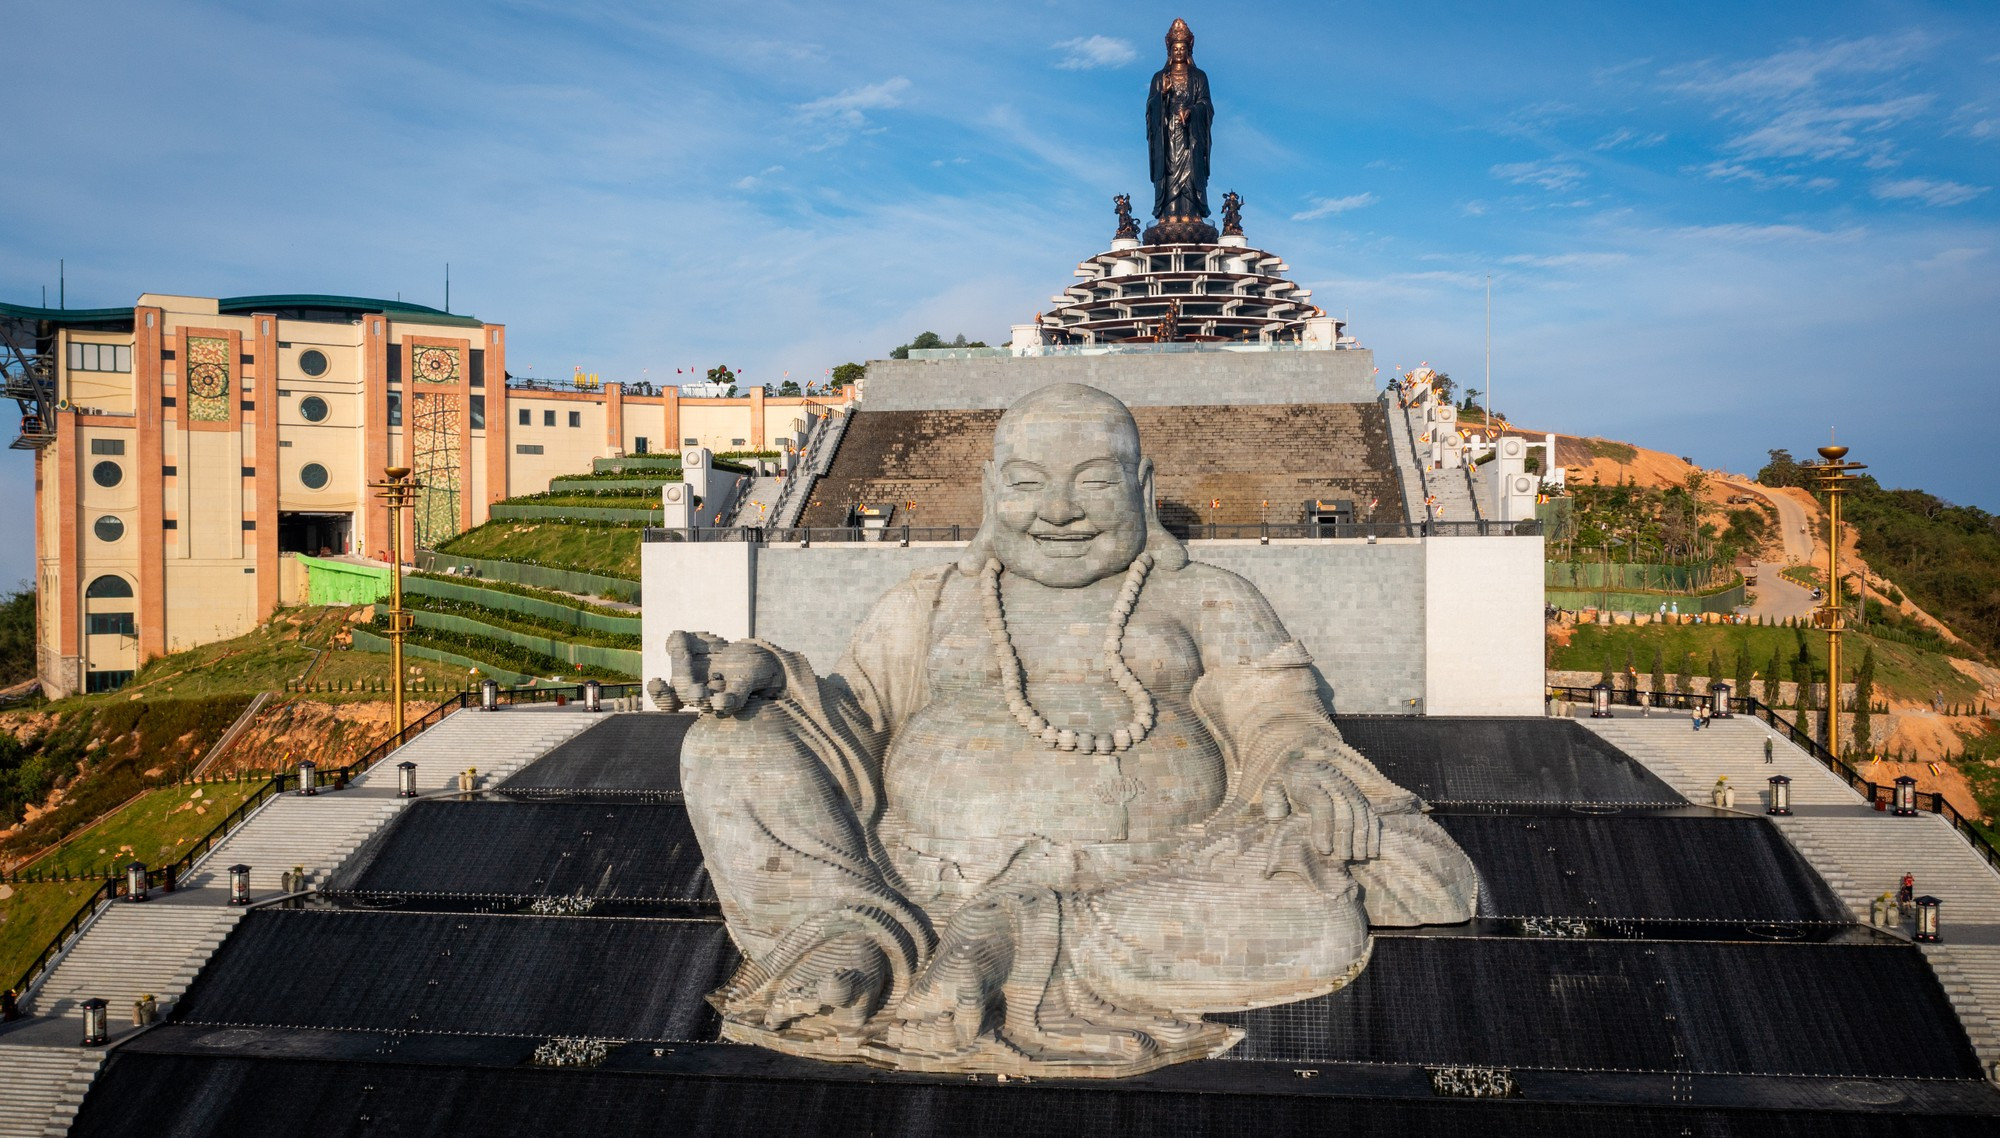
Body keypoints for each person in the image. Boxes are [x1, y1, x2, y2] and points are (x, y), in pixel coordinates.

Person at [664, 383, 1476, 1077]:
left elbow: (1275, 708)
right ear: (989, 493)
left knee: (1324, 916)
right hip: (906, 867)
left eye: (1092, 482)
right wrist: (767, 674)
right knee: (726, 744)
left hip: (1144, 881)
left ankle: (1010, 938)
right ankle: (851, 933)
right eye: (1026, 483)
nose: (1056, 511)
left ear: (1143, 487)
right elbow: (853, 717)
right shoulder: (931, 599)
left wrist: (1303, 764)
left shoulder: (1203, 596)